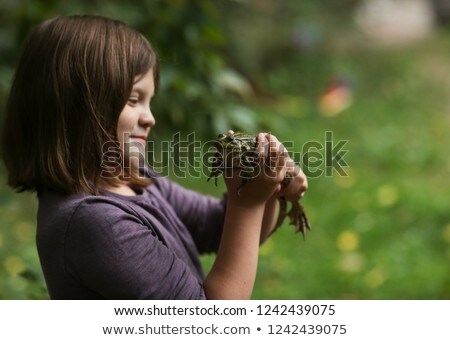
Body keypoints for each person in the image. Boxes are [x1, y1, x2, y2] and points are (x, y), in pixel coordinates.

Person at [1, 15, 307, 299]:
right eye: (133, 100)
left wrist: (269, 190)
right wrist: (248, 202)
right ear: (74, 107)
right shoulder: (93, 223)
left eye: (149, 101)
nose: (150, 118)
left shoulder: (133, 178)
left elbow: (218, 227)